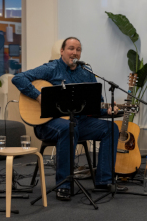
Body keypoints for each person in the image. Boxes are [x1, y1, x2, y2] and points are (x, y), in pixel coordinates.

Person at [12, 37, 125, 201]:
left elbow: (94, 107)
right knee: (68, 127)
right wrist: (38, 96)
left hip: (79, 121)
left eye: (78, 50)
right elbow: (18, 78)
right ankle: (63, 185)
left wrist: (108, 110)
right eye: (71, 48)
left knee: (111, 129)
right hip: (48, 123)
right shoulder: (51, 68)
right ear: (62, 51)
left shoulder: (86, 72)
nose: (75, 52)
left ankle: (104, 180)